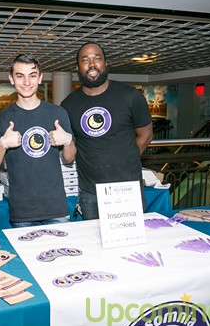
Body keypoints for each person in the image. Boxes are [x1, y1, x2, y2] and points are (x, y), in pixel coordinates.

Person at [60, 42, 153, 220]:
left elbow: (145, 135)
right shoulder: (68, 105)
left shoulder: (130, 95)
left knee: (130, 246)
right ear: (77, 67)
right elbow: (70, 148)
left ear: (106, 63)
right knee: (95, 245)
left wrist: (127, 159)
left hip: (126, 189)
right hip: (90, 192)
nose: (92, 64)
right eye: (85, 60)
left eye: (97, 58)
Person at [0, 54, 76, 227]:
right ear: (11, 79)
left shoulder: (58, 113)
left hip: (56, 209)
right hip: (22, 212)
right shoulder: (1, 119)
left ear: (40, 78)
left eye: (32, 75)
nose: (27, 82)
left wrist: (67, 140)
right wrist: (2, 144)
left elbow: (69, 158)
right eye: (20, 76)